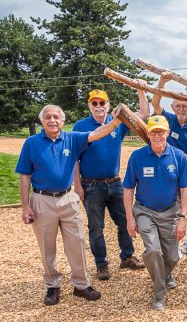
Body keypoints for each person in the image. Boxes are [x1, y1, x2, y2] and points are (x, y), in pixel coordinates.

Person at [16, 104, 124, 306]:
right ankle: (53, 286)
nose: (52, 120)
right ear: (42, 121)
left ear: (63, 120)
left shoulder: (72, 139)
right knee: (47, 248)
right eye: (47, 117)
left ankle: (81, 285)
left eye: (56, 117)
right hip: (42, 200)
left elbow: (97, 133)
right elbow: (25, 175)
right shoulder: (31, 143)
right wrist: (25, 206)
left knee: (77, 243)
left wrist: (116, 121)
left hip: (68, 198)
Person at [73, 88, 149, 280]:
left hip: (115, 183)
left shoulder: (119, 123)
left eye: (102, 103)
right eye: (94, 103)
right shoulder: (81, 126)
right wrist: (77, 185)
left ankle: (127, 256)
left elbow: (144, 114)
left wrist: (140, 89)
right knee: (96, 227)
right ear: (89, 106)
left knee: (125, 221)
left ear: (108, 104)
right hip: (91, 185)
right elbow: (75, 159)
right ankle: (101, 264)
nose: (98, 106)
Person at [123, 115, 187, 311]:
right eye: (153, 131)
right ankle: (159, 293)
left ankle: (164, 273)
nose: (157, 135)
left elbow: (185, 190)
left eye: (160, 131)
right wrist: (130, 218)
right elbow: (128, 189)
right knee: (153, 250)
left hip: (171, 211)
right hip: (145, 211)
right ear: (148, 133)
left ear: (167, 133)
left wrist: (182, 218)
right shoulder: (137, 157)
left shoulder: (178, 156)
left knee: (173, 257)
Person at [147, 87, 187, 258]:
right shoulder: (167, 120)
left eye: (185, 106)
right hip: (173, 171)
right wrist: (162, 82)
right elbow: (154, 102)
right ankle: (173, 244)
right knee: (173, 209)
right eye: (178, 106)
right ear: (173, 107)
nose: (181, 109)